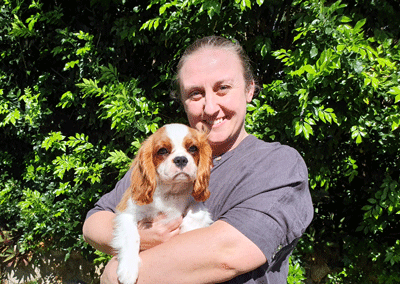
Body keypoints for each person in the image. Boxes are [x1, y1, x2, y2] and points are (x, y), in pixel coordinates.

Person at [82, 35, 314, 284]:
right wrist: (142, 236)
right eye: (195, 94)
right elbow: (94, 223)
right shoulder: (158, 162)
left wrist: (113, 274)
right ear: (183, 102)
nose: (211, 107)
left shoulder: (277, 163)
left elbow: (227, 255)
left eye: (223, 88)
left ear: (249, 89)